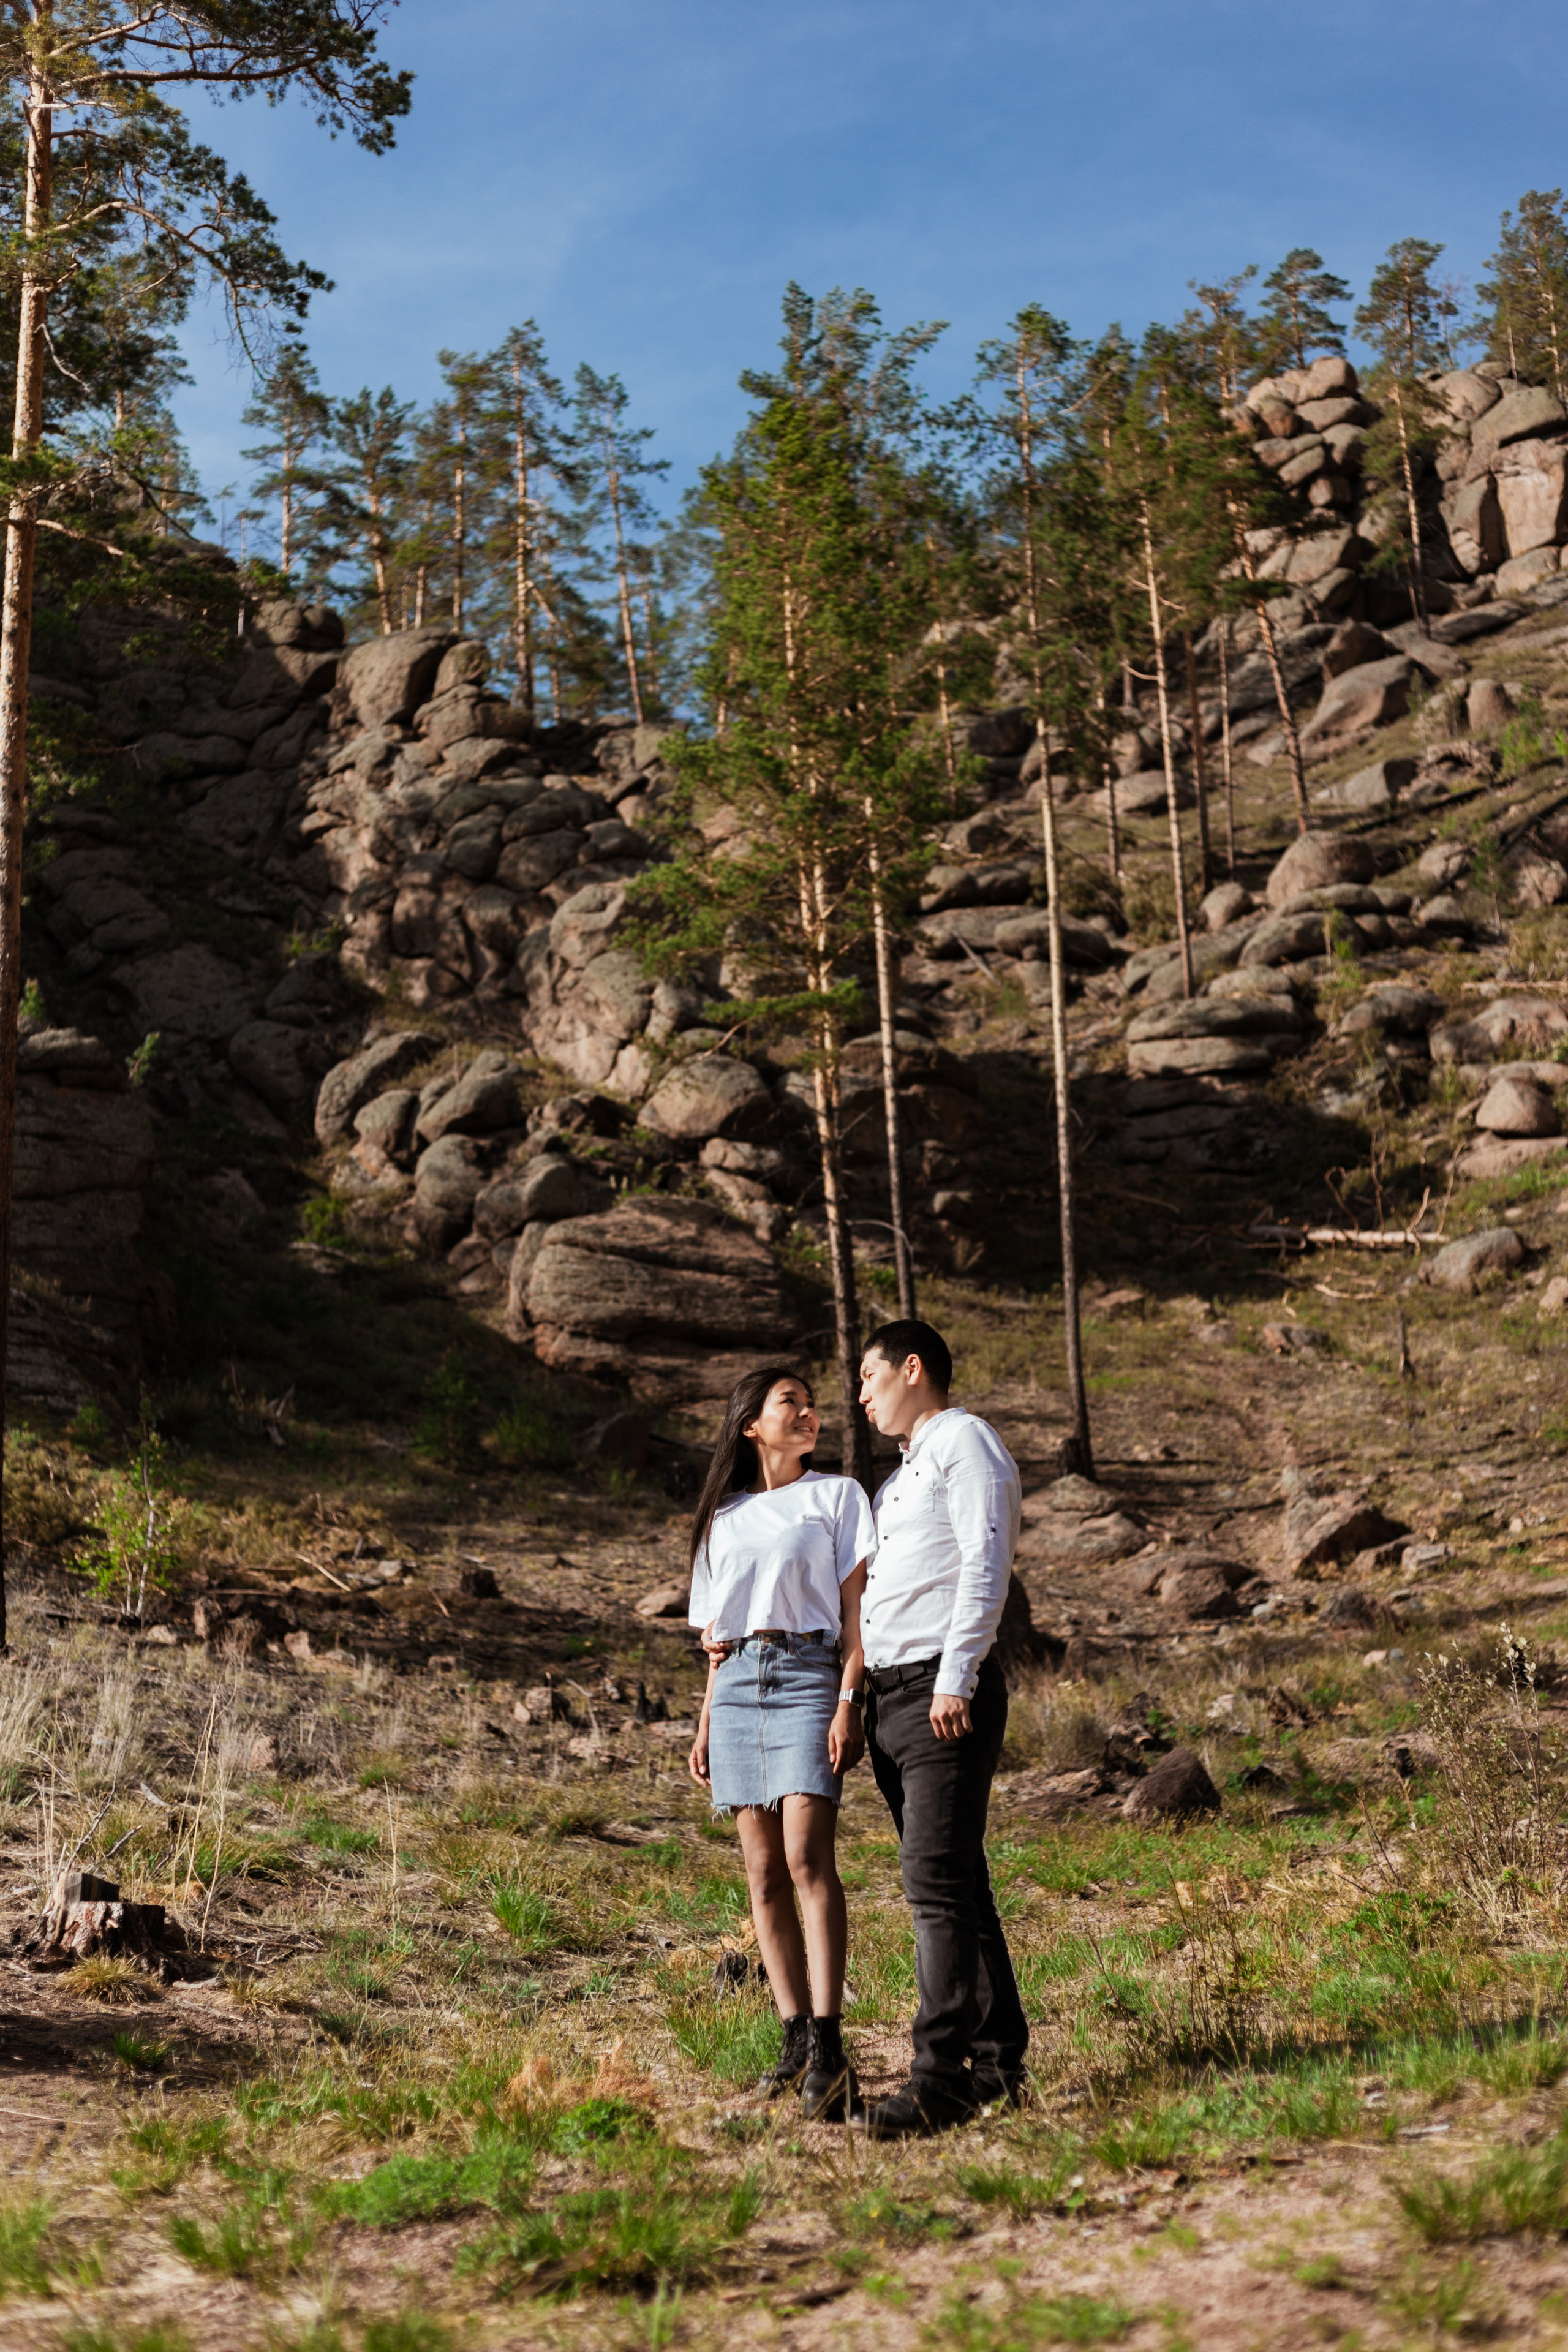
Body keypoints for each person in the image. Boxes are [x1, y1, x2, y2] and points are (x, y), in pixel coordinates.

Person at [854, 1317, 1028, 2138]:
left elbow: (987, 1559)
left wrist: (956, 1677)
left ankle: (940, 2077)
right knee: (957, 1884)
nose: (860, 1397)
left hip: (939, 1692)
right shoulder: (897, 1482)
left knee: (932, 1888)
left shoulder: (966, 1442)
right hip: (894, 1698)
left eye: (868, 1378)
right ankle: (996, 2066)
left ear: (912, 1368)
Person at [687, 1363, 874, 2121]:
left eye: (810, 1403)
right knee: (762, 1877)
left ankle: (830, 2045)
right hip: (735, 1688)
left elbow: (859, 1617)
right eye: (787, 1403)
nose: (808, 1413)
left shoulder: (837, 1496)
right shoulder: (722, 1518)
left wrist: (848, 1701)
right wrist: (703, 1721)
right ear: (750, 1426)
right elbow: (715, 1640)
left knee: (806, 1859)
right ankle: (793, 2037)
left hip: (806, 1675)